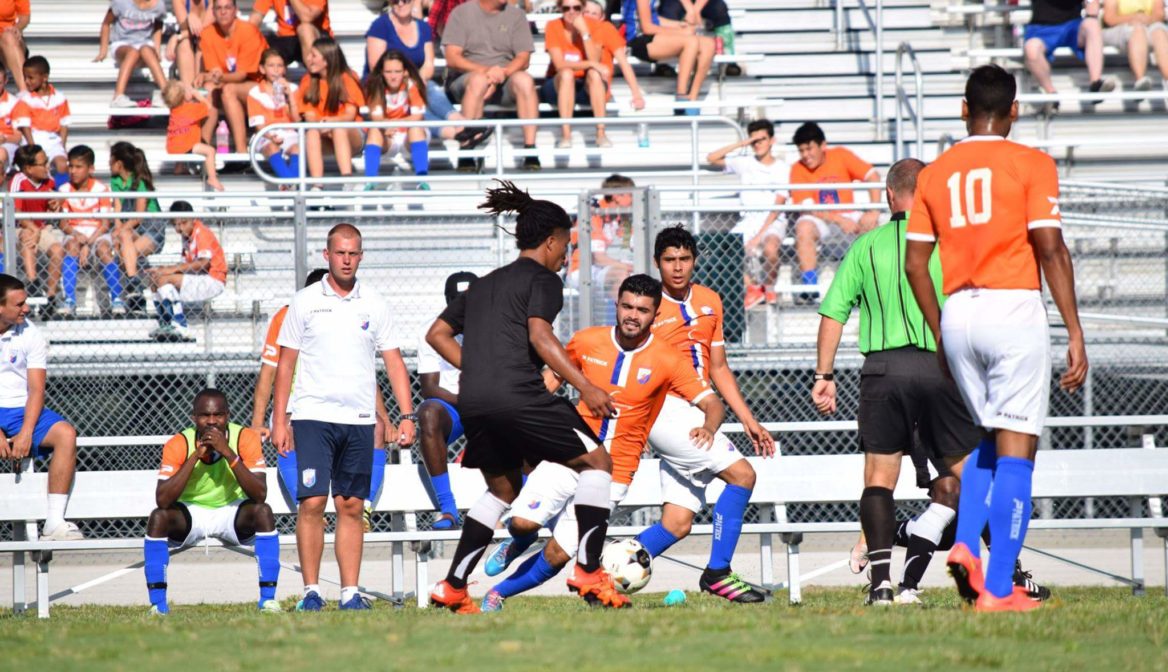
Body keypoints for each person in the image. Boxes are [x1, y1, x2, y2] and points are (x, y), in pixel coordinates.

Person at [904, 64, 1088, 612]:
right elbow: (1050, 247)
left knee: (988, 439)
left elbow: (916, 264)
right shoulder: (1031, 163)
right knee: (1018, 451)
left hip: (958, 311)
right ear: (1015, 110)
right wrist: (1075, 331)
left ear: (964, 109)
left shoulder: (934, 173)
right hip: (1012, 307)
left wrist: (940, 333)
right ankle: (1001, 588)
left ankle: (964, 543)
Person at [425, 181, 625, 613]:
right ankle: (589, 572)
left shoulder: (481, 285)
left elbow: (436, 334)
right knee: (597, 462)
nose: (566, 255)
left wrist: (478, 369)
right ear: (551, 241)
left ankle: (454, 586)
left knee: (503, 489)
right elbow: (540, 333)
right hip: (519, 394)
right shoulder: (543, 279)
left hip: (475, 400)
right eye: (566, 245)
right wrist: (586, 386)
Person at [480, 274, 724, 611]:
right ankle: (518, 540)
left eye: (642, 309)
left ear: (654, 315)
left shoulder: (669, 359)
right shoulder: (587, 341)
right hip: (569, 454)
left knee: (557, 553)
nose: (632, 315)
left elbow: (713, 403)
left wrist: (709, 427)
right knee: (523, 523)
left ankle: (498, 594)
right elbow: (549, 380)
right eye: (627, 306)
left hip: (615, 473)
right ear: (616, 305)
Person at [811, 158, 979, 606]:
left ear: (889, 195)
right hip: (942, 369)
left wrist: (824, 375)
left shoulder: (866, 246)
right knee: (971, 475)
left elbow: (833, 312)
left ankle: (881, 584)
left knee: (880, 478)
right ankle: (1009, 571)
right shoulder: (951, 244)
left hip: (883, 370)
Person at [623, 225, 775, 603]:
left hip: (698, 408)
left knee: (677, 524)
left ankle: (603, 571)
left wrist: (748, 419)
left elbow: (719, 367)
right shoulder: (646, 304)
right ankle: (718, 573)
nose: (677, 267)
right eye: (669, 260)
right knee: (742, 475)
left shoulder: (710, 300)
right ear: (657, 263)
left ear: (694, 261)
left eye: (684, 259)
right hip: (665, 411)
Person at [271, 223, 416, 611]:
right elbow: (285, 366)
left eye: (353, 253)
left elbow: (394, 362)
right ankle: (311, 592)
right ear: (327, 255)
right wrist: (279, 418)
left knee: (351, 505)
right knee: (313, 502)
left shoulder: (375, 302)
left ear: (361, 256)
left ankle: (350, 593)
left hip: (359, 420)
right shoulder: (304, 301)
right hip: (312, 417)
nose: (347, 260)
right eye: (340, 253)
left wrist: (406, 415)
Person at [250, 268, 396, 530]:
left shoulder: (353, 311)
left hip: (344, 403)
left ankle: (364, 507)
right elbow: (269, 371)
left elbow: (364, 374)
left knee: (377, 429)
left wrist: (385, 418)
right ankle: (306, 508)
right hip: (299, 402)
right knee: (291, 426)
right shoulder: (288, 315)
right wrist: (258, 421)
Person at [143, 388, 281, 614]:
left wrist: (227, 452)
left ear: (228, 415)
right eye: (205, 416)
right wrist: (196, 456)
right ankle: (158, 605)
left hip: (231, 511)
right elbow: (163, 499)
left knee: (263, 511)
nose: (212, 421)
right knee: (158, 517)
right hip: (192, 514)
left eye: (218, 415)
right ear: (193, 418)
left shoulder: (244, 438)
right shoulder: (179, 443)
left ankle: (267, 600)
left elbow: (259, 494)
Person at [0, 274, 82, 540]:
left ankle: (54, 522)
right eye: (19, 304)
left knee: (66, 434)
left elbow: (36, 390)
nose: (26, 308)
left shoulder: (31, 333)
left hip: (20, 412)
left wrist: (25, 432)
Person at [788, 122, 882, 304]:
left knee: (872, 226)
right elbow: (809, 207)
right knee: (804, 226)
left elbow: (872, 175)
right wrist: (839, 220)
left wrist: (874, 210)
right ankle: (810, 287)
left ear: (823, 145)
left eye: (809, 149)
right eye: (801, 151)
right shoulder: (797, 169)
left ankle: (871, 286)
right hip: (821, 219)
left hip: (848, 213)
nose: (805, 155)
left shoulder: (840, 155)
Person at [442, 0, 541, 169]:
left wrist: (502, 74)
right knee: (478, 81)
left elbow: (523, 58)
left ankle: (530, 150)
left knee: (525, 81)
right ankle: (467, 148)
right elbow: (452, 58)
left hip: (505, 77)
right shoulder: (461, 13)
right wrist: (487, 72)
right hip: (467, 77)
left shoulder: (516, 15)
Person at [414, 271, 476, 530]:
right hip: (454, 408)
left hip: (489, 404)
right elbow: (429, 387)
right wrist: (468, 401)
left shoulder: (497, 325)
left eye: (469, 299)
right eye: (457, 299)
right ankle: (448, 509)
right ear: (447, 300)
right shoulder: (432, 329)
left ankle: (527, 507)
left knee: (518, 412)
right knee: (427, 413)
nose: (463, 305)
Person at [706, 118, 790, 309]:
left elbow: (778, 205)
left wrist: (758, 236)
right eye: (754, 140)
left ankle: (769, 288)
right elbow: (711, 158)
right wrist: (742, 143)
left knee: (770, 247)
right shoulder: (744, 162)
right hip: (748, 220)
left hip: (773, 220)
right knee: (723, 252)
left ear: (771, 141)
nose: (757, 144)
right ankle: (753, 288)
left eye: (761, 139)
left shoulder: (783, 169)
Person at [365, 0, 464, 131]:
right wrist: (407, 81)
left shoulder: (423, 27)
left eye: (405, 0)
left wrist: (416, 80)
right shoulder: (380, 26)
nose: (400, 4)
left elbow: (428, 65)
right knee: (416, 104)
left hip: (413, 81)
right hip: (384, 82)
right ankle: (454, 132)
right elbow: (375, 66)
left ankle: (458, 121)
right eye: (395, 1)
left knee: (428, 88)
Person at [542, 0, 623, 148]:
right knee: (567, 74)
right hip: (557, 83)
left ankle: (601, 133)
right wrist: (591, 64)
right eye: (566, 8)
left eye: (576, 8)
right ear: (560, 8)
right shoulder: (553, 26)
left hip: (584, 83)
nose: (571, 12)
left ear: (582, 8)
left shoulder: (594, 26)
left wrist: (585, 32)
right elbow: (560, 64)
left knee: (594, 74)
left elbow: (595, 59)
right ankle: (566, 135)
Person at [144, 200, 226, 342]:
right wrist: (163, 269)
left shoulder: (201, 233)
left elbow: (204, 263)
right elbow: (184, 265)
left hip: (213, 280)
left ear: (193, 219)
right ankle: (166, 322)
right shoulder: (186, 236)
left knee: (164, 278)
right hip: (197, 279)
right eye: (175, 224)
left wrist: (171, 270)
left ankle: (180, 324)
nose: (179, 228)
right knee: (155, 278)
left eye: (183, 223)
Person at [57, 145, 124, 318]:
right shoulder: (64, 190)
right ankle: (70, 300)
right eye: (71, 166)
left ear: (91, 168)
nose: (73, 171)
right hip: (75, 234)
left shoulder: (101, 190)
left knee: (103, 249)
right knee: (71, 246)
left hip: (97, 234)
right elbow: (63, 223)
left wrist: (87, 242)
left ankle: (117, 299)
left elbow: (104, 223)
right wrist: (77, 236)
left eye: (78, 167)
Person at [197, 0, 268, 155]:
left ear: (235, 10)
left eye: (228, 7)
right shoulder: (208, 33)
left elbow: (242, 74)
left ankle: (241, 151)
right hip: (229, 84)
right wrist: (206, 76)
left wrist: (216, 77)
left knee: (228, 89)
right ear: (213, 12)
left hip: (259, 84)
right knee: (208, 89)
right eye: (219, 8)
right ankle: (204, 149)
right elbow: (214, 71)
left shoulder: (248, 30)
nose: (223, 12)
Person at [621, 0, 715, 114]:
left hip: (652, 36)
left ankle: (693, 97)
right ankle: (681, 97)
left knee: (709, 44)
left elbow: (655, 19)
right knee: (691, 41)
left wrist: (680, 25)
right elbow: (647, 28)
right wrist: (680, 32)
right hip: (639, 40)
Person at [295, 37, 365, 186]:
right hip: (323, 132)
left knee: (338, 129)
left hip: (350, 133)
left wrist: (330, 123)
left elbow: (349, 116)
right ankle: (317, 185)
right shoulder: (307, 80)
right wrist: (322, 127)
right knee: (312, 132)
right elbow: (309, 115)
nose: (308, 59)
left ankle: (347, 180)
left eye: (313, 55)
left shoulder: (347, 78)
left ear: (326, 60)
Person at [566, 173, 635, 323]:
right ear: (617, 196)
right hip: (580, 270)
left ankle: (616, 326)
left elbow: (626, 247)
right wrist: (628, 266)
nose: (634, 199)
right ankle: (619, 328)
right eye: (631, 194)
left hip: (605, 269)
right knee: (621, 274)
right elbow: (598, 258)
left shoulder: (623, 217)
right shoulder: (593, 212)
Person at [109, 141, 166, 307]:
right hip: (130, 229)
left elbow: (139, 216)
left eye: (111, 160)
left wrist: (120, 230)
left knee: (127, 255)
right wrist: (118, 228)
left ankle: (134, 287)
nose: (108, 164)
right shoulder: (116, 182)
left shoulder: (140, 182)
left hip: (151, 229)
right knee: (125, 246)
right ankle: (136, 289)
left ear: (119, 163)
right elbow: (118, 210)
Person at [362, 50, 431, 187]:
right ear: (382, 72)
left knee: (415, 128)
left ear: (405, 72)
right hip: (389, 136)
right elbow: (377, 118)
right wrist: (386, 126)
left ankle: (422, 178)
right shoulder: (376, 87)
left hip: (410, 137)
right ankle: (370, 180)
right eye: (388, 72)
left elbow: (417, 116)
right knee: (375, 130)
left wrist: (394, 123)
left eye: (397, 71)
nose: (393, 76)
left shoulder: (412, 85)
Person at [1023, 0, 1115, 100]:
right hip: (1041, 29)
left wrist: (1092, 4)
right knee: (1031, 49)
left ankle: (1096, 84)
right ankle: (1051, 95)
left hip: (1072, 26)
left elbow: (1092, 4)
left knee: (1092, 25)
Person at [11, 146, 64, 308]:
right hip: (21, 227)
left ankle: (50, 296)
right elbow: (15, 211)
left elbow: (54, 202)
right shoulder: (19, 180)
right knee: (27, 238)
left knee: (57, 250)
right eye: (43, 163)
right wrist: (34, 229)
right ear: (28, 168)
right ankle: (33, 283)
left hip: (41, 229)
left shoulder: (49, 181)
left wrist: (57, 203)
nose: (48, 167)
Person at [96, 0, 169, 108]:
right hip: (122, 43)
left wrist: (157, 48)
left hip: (145, 43)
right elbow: (106, 23)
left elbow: (158, 23)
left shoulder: (158, 5)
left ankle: (166, 94)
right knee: (133, 53)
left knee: (146, 50)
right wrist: (103, 51)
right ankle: (118, 96)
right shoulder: (121, 2)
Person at [12, 56, 71, 186]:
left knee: (62, 165)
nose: (27, 82)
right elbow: (25, 127)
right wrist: (33, 148)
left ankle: (60, 196)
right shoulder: (25, 99)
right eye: (25, 78)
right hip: (35, 140)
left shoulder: (60, 98)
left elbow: (64, 124)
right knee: (40, 168)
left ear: (44, 77)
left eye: (30, 78)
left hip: (53, 140)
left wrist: (62, 145)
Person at [247, 48, 301, 181]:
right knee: (271, 147)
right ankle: (292, 185)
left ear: (284, 69)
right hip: (266, 134)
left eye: (280, 66)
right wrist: (271, 136)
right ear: (262, 69)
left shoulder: (293, 89)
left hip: (289, 133)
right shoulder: (255, 92)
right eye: (271, 66)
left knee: (298, 148)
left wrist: (290, 97)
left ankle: (288, 184)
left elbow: (297, 121)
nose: (276, 70)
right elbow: (258, 125)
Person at [582, 0, 645, 112]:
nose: (590, 16)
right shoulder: (571, 28)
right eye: (586, 12)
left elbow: (623, 63)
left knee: (594, 75)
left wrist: (636, 94)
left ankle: (601, 128)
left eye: (594, 13)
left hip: (597, 86)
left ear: (602, 17)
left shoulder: (606, 29)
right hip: (574, 86)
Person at [162, 80, 224, 191]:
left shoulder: (173, 110)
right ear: (183, 97)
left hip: (172, 147)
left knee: (181, 140)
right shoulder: (191, 109)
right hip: (188, 146)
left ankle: (179, 168)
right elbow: (208, 107)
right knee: (210, 151)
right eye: (187, 89)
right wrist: (198, 95)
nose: (190, 90)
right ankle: (212, 178)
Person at [1102, 0, 1168, 91]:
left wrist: (1145, 19)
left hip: (1148, 25)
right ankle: (1140, 81)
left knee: (1159, 32)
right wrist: (1133, 18)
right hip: (1120, 29)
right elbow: (1109, 18)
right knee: (1138, 30)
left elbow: (1159, 14)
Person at [249, 0, 332, 69]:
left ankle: (316, 78)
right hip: (285, 38)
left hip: (316, 37)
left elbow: (307, 17)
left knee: (304, 29)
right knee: (255, 39)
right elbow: (256, 17)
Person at [168, 0, 211, 87]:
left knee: (202, 44)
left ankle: (198, 88)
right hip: (189, 41)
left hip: (207, 42)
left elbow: (205, 31)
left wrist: (177, 37)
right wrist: (189, 17)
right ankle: (190, 90)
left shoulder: (212, 2)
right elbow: (184, 28)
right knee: (184, 44)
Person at [0, 0, 29, 92]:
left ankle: (25, 96)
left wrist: (17, 28)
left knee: (9, 37)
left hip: (7, 38)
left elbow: (24, 17)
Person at [0, 68, 23, 172]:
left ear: (5, 81)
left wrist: (4, 139)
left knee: (1, 153)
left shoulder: (15, 103)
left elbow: (18, 136)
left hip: (6, 144)